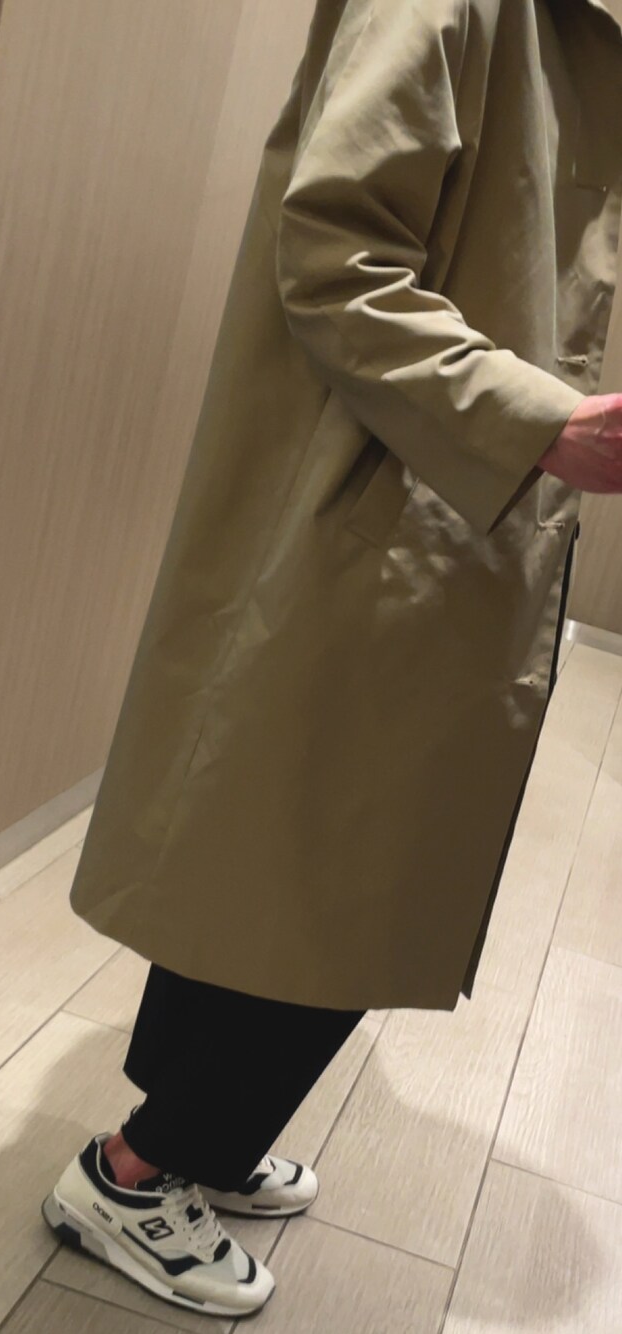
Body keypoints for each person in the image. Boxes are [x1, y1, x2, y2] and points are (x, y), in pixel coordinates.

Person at [44, 0, 622, 1318]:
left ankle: (194, 1135)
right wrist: (540, 421)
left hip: (425, 499)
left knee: (275, 844)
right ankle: (137, 1171)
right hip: (388, 498)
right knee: (346, 867)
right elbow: (333, 253)